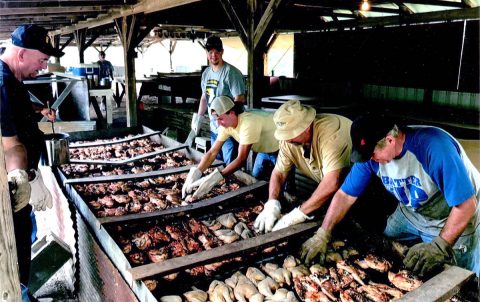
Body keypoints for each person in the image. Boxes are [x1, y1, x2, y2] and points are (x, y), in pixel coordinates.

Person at [300, 113, 480, 277]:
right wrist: (323, 233)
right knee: (384, 248)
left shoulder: (433, 148)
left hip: (452, 214)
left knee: (453, 275)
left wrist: (439, 245)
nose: (370, 160)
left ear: (390, 140)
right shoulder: (370, 155)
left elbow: (466, 205)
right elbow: (345, 195)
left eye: (372, 154)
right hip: (411, 211)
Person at [1, 24, 61, 301]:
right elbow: (11, 145)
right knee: (11, 254)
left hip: (20, 184)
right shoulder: (0, 83)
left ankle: (23, 290)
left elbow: (19, 113)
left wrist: (40, 110)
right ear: (23, 54)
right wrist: (25, 178)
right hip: (9, 192)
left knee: (24, 244)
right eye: (42, 61)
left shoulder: (13, 80)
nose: (43, 67)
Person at [254, 100, 352, 233]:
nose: (287, 140)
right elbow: (279, 173)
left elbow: (331, 182)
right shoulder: (289, 141)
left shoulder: (331, 135)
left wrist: (297, 215)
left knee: (351, 226)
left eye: (290, 134)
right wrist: (272, 203)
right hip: (334, 191)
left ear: (306, 127)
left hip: (359, 190)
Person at [182, 96, 279, 200]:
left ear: (232, 113)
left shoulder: (248, 123)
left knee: (283, 183)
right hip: (264, 149)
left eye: (220, 119)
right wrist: (197, 172)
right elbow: (212, 152)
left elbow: (241, 159)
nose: (218, 123)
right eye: (216, 119)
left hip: (280, 147)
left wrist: (216, 177)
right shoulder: (226, 125)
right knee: (256, 178)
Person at [191, 35, 246, 164]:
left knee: (231, 165)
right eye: (210, 52)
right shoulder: (206, 73)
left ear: (222, 52)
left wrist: (227, 122)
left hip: (228, 130)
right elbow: (204, 97)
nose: (213, 55)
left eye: (217, 52)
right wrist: (198, 118)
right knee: (217, 162)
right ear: (206, 53)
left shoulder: (231, 72)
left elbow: (239, 99)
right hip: (214, 127)